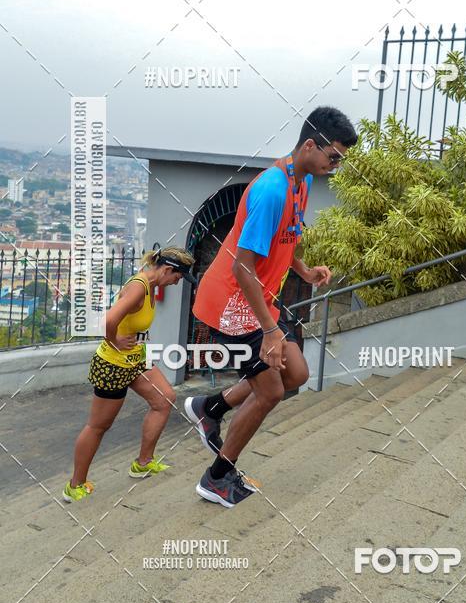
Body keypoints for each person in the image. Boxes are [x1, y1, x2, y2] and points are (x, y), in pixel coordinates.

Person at [185, 106, 358, 507]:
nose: (337, 164)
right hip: (232, 306)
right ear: (310, 145)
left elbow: (287, 237)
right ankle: (217, 477)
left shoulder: (302, 182)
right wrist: (270, 331)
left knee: (295, 373)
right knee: (269, 392)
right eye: (334, 156)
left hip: (255, 301)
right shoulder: (271, 190)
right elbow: (241, 266)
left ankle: (208, 408)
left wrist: (305, 269)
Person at [62, 246, 195, 502]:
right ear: (167, 270)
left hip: (137, 359)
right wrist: (114, 342)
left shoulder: (152, 286)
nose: (177, 283)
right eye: (177, 278)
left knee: (164, 399)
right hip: (113, 363)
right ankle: (75, 485)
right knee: (99, 426)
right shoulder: (138, 287)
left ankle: (143, 463)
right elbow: (108, 320)